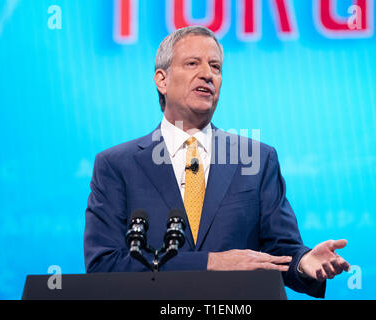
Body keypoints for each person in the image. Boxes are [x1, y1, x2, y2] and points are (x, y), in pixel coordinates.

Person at [84, 26, 350, 298]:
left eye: (215, 67)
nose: (207, 74)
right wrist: (211, 263)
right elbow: (104, 264)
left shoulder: (257, 159)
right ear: (162, 80)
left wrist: (303, 263)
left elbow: (281, 250)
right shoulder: (116, 165)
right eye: (192, 63)